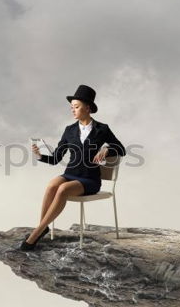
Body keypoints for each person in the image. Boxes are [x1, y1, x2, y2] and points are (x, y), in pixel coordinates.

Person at [20, 84, 125, 251]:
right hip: (70, 174)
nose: (73, 110)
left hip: (89, 179)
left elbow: (121, 148)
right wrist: (40, 155)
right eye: (71, 107)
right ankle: (43, 227)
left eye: (76, 107)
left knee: (62, 190)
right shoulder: (69, 130)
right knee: (52, 185)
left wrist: (107, 149)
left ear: (88, 107)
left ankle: (36, 233)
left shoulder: (102, 129)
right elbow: (56, 158)